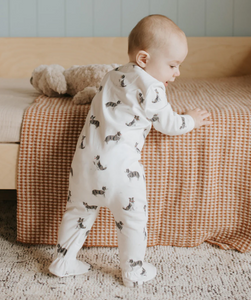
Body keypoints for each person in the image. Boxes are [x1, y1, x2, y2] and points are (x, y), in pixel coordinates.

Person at [49, 14, 212, 287]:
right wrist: (192, 119)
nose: (177, 73)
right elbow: (168, 123)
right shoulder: (153, 88)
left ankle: (63, 262)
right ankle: (133, 271)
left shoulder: (112, 74)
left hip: (84, 162)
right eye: (173, 65)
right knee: (132, 220)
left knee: (77, 212)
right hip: (120, 171)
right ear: (144, 59)